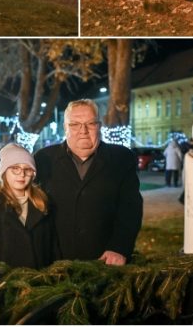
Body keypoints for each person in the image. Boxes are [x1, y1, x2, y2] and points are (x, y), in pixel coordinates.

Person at [33, 100, 142, 265]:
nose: (83, 131)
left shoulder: (121, 159)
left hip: (105, 261)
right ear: (65, 127)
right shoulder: (43, 158)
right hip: (53, 261)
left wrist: (119, 247)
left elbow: (130, 209)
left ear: (99, 126)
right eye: (75, 124)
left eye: (90, 124)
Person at [0, 143, 56, 269]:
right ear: (4, 172)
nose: (22, 174)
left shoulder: (43, 204)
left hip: (40, 282)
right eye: (15, 168)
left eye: (28, 169)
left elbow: (53, 247)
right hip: (6, 283)